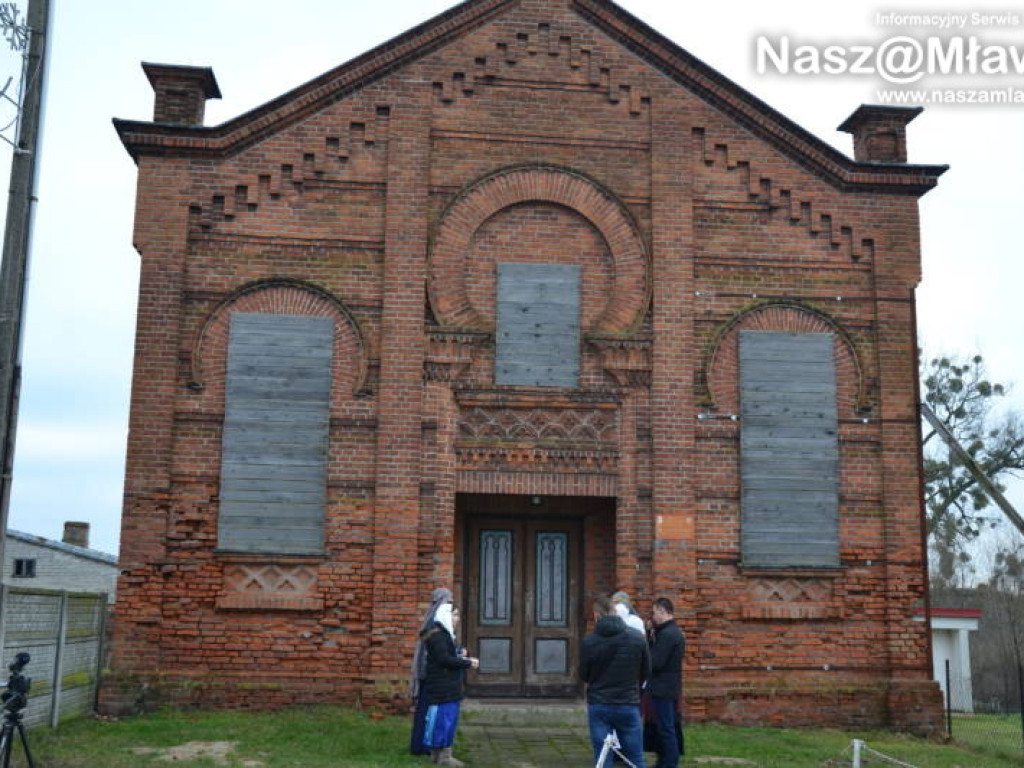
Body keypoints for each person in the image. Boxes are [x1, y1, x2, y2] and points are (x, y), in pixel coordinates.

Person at [581, 595, 651, 768]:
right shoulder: (637, 638)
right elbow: (646, 671)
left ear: (597, 615)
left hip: (599, 703)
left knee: (603, 758)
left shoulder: (589, 641)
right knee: (635, 757)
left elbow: (584, 674)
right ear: (615, 612)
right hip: (627, 702)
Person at [420, 602, 479, 766]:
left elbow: (445, 655)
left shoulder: (444, 634)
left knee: (446, 720)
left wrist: (459, 653)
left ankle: (441, 755)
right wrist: (467, 662)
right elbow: (444, 659)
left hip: (446, 686)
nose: (457, 619)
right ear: (445, 615)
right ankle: (442, 757)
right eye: (455, 615)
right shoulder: (439, 635)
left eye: (458, 615)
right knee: (442, 720)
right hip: (442, 687)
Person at [410, 587, 453, 756]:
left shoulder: (432, 620)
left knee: (426, 711)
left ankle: (421, 745)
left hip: (429, 673)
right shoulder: (434, 624)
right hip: (429, 673)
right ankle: (421, 746)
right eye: (448, 601)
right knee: (426, 712)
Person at [648, 597, 684, 768]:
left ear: (663, 612)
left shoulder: (668, 634)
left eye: (655, 613)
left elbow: (656, 662)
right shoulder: (669, 632)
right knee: (664, 727)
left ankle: (669, 763)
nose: (653, 617)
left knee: (666, 728)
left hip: (663, 687)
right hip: (667, 686)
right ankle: (664, 760)